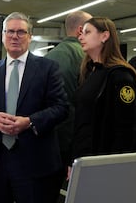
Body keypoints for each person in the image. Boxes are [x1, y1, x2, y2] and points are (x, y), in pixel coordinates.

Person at [0, 12, 68, 203]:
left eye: (21, 32)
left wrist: (30, 122)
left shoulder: (48, 69)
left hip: (35, 164)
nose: (15, 36)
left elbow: (61, 107)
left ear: (30, 37)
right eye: (10, 31)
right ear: (3, 35)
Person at [73, 16, 136, 160]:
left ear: (104, 36)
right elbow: (81, 121)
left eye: (87, 32)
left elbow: (125, 128)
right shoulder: (89, 72)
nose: (80, 38)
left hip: (104, 159)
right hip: (84, 155)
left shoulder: (120, 76)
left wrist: (113, 164)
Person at [44, 10, 92, 188]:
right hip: (74, 143)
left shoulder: (48, 58)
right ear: (81, 30)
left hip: (47, 139)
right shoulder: (86, 59)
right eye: (90, 29)